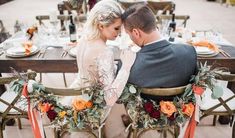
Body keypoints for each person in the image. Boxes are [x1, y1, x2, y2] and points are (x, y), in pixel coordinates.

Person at [61, 0, 136, 137]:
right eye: (116, 28)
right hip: (94, 105)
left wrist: (110, 68)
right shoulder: (104, 52)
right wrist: (126, 67)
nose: (119, 33)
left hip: (79, 92)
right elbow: (110, 98)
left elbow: (91, 69)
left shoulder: (85, 39)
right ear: (101, 25)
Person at [121, 4, 197, 137]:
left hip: (144, 113)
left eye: (128, 35)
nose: (130, 39)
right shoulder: (189, 53)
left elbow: (120, 95)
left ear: (136, 32)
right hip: (177, 112)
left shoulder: (131, 64)